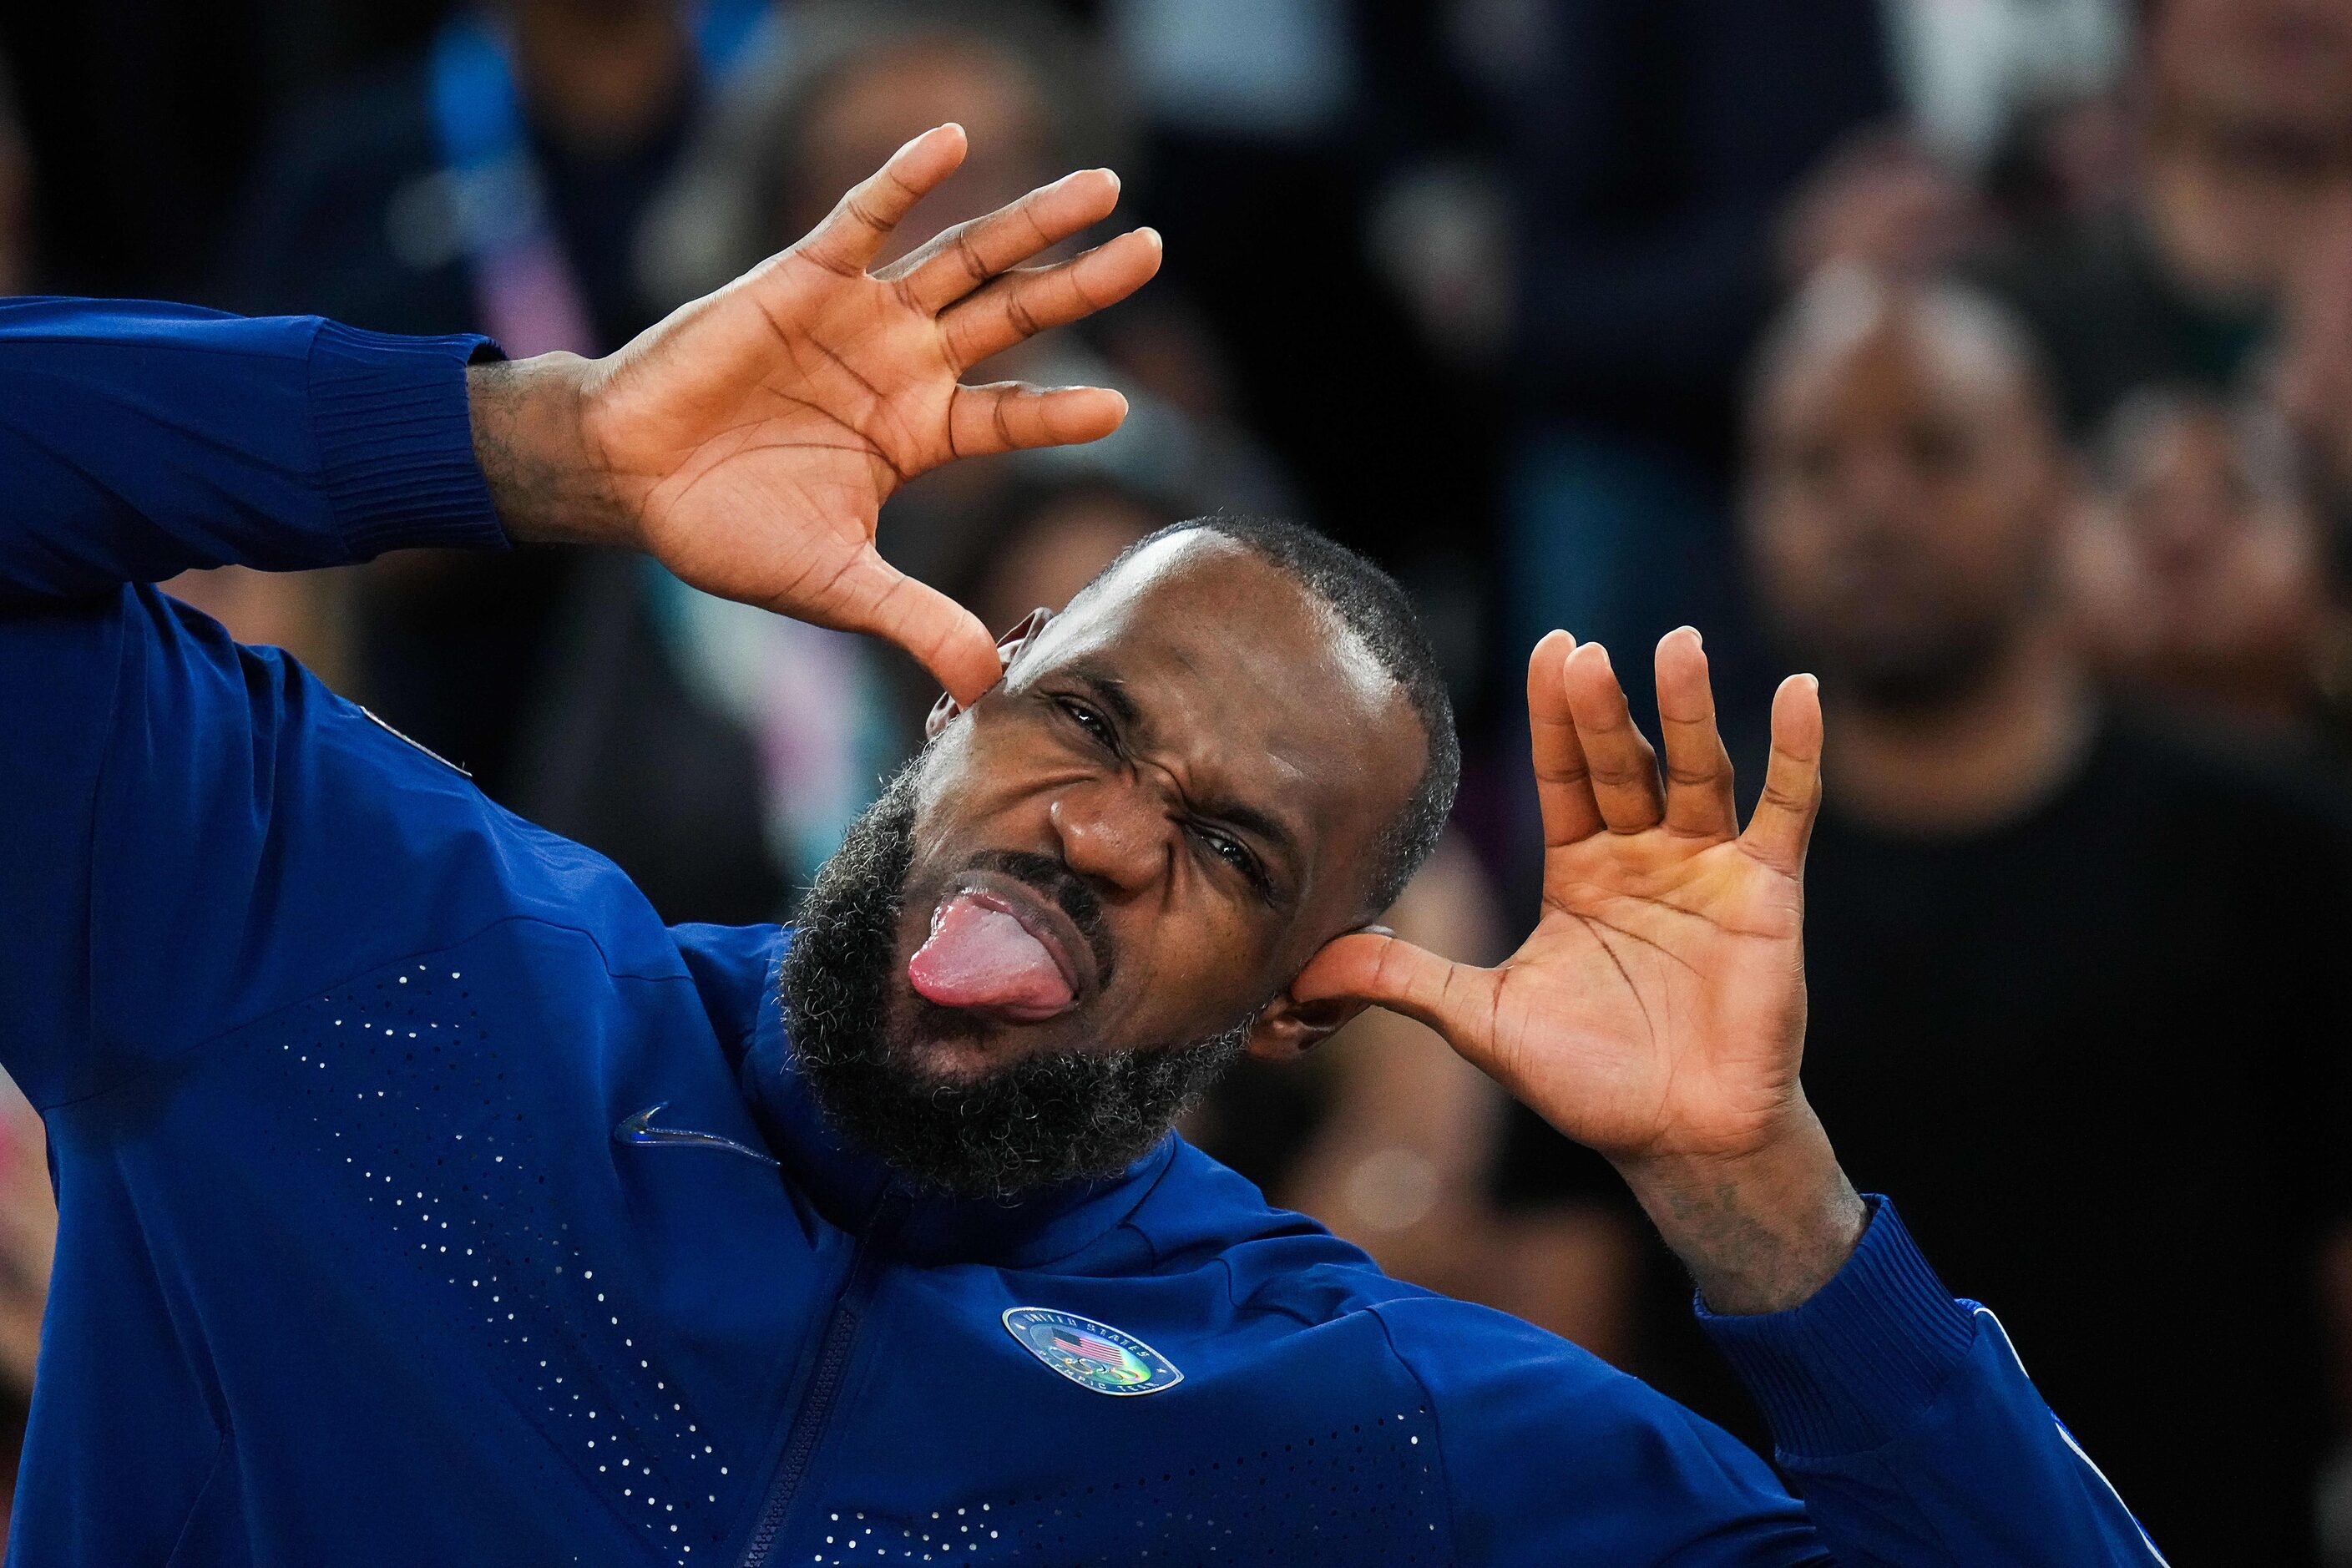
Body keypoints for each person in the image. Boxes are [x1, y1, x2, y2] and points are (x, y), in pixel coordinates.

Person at [0, 127, 2162, 1565]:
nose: (1106, 832)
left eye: (1229, 846)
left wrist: (1750, 1186)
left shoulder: (1342, 1418)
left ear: (1308, 989)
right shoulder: (366, 944)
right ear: (944, 708)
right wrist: (529, 438)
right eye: (1085, 723)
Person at [1502, 266, 2352, 1561]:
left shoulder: (2273, 846)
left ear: (2058, 483)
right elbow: (1562, 1320)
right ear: (1743, 515)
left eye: (1935, 448)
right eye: (1811, 465)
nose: (1872, 505)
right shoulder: (1652, 871)